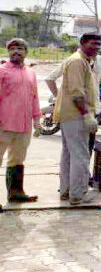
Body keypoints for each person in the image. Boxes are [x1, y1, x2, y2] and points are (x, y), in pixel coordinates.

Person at [55, 33, 101, 205]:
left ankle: (66, 191)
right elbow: (77, 93)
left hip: (70, 115)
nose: (96, 47)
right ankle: (78, 194)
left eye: (98, 44)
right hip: (76, 115)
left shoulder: (82, 61)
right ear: (82, 43)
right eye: (92, 43)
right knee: (80, 156)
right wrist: (86, 115)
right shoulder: (77, 61)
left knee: (69, 155)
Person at [46, 45, 101, 154]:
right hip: (75, 110)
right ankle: (75, 170)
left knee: (86, 145)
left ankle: (80, 170)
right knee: (74, 146)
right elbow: (49, 79)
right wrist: (59, 98)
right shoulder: (73, 61)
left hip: (90, 108)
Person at [0, 38, 41, 205]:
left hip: (24, 127)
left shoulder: (31, 73)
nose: (16, 51)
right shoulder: (2, 71)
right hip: (3, 125)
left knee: (17, 160)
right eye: (12, 49)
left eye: (20, 48)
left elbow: (35, 98)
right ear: (8, 51)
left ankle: (16, 193)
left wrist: (37, 121)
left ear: (26, 52)